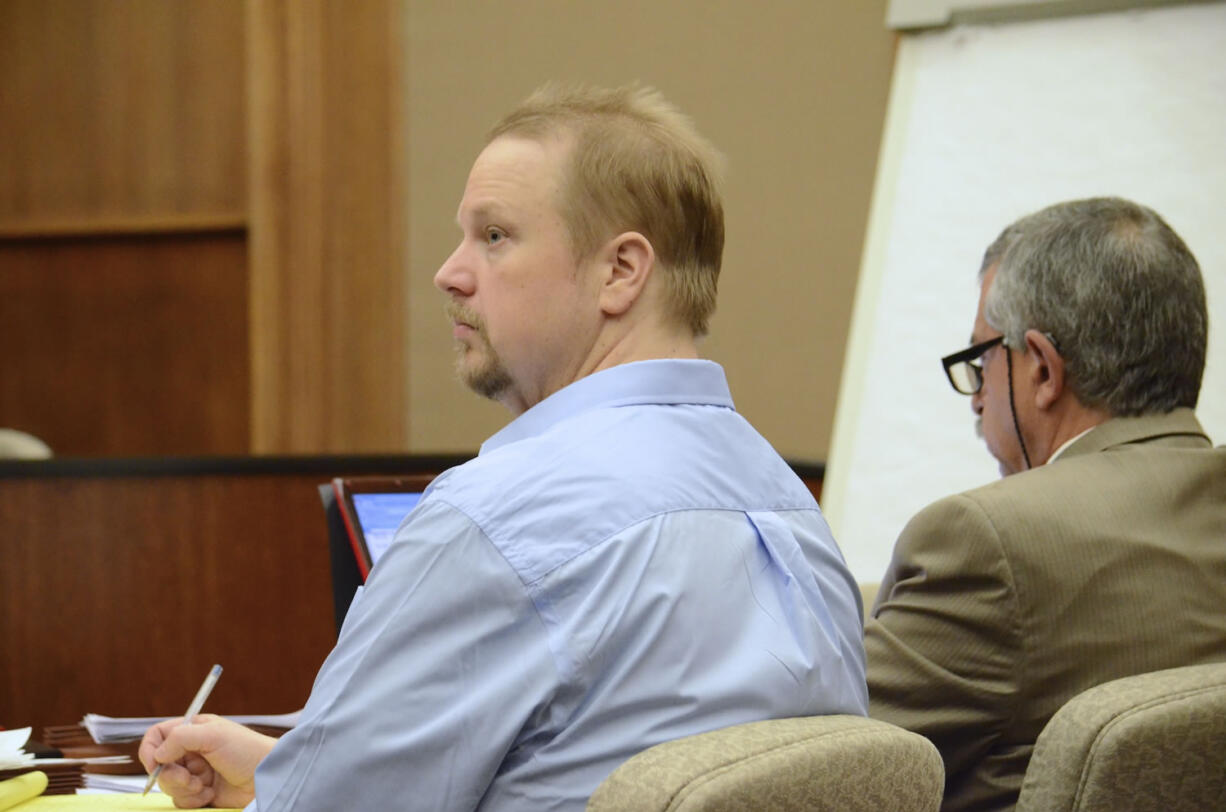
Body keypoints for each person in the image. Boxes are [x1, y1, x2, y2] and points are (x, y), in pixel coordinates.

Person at [140, 84, 868, 811]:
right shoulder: (793, 513)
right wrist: (282, 774)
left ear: (620, 272)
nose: (450, 273)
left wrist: (290, 793)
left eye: (494, 237)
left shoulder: (495, 521)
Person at [864, 196, 1226, 811]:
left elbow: (810, 767)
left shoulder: (987, 542)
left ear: (1043, 372)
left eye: (982, 358)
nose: (976, 399)